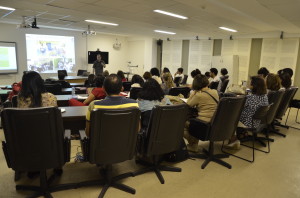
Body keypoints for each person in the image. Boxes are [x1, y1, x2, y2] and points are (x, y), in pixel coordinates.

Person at [226, 76, 269, 149]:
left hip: (248, 122)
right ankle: (242, 133)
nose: (248, 84)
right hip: (258, 121)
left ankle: (234, 139)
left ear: (253, 86)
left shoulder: (250, 98)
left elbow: (237, 107)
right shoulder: (265, 96)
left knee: (229, 117)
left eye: (250, 83)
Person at [183, 74, 219, 152]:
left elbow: (188, 104)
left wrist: (194, 92)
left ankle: (193, 145)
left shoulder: (198, 95)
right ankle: (194, 144)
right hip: (215, 123)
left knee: (181, 123)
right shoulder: (215, 92)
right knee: (194, 120)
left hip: (203, 125)